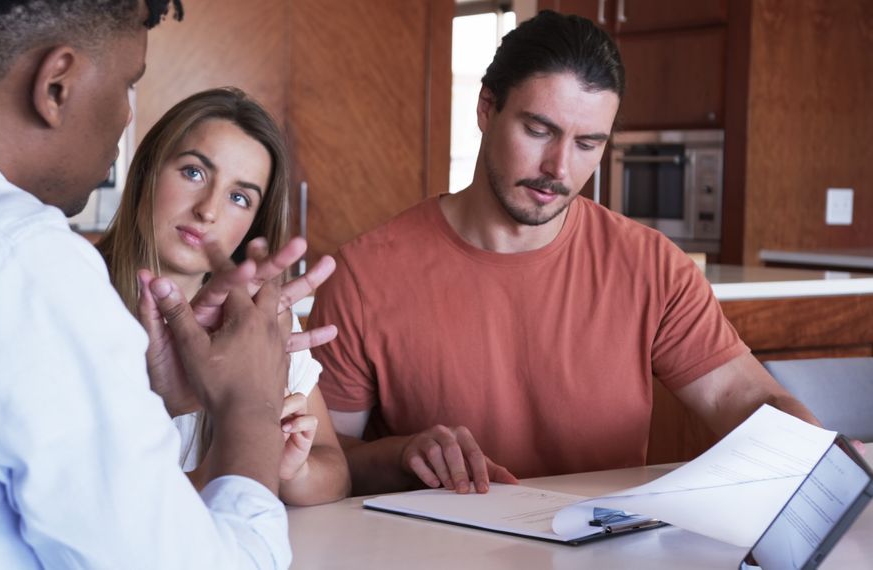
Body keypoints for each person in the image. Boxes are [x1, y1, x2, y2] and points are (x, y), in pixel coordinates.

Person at [0, 1, 328, 567]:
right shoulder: (24, 259)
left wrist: (154, 395)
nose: (127, 118)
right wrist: (250, 404)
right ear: (56, 85)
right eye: (127, 84)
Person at [308, 10, 821, 497]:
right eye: (538, 130)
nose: (559, 167)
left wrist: (824, 458)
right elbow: (326, 465)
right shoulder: (363, 275)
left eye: (587, 144)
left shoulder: (652, 266)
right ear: (487, 109)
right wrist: (402, 455)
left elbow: (743, 399)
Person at [97, 87, 350, 505]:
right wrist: (248, 437)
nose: (208, 210)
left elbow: (335, 471)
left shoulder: (256, 321)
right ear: (147, 170)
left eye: (239, 197)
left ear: (253, 225)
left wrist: (294, 469)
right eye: (194, 172)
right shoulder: (69, 295)